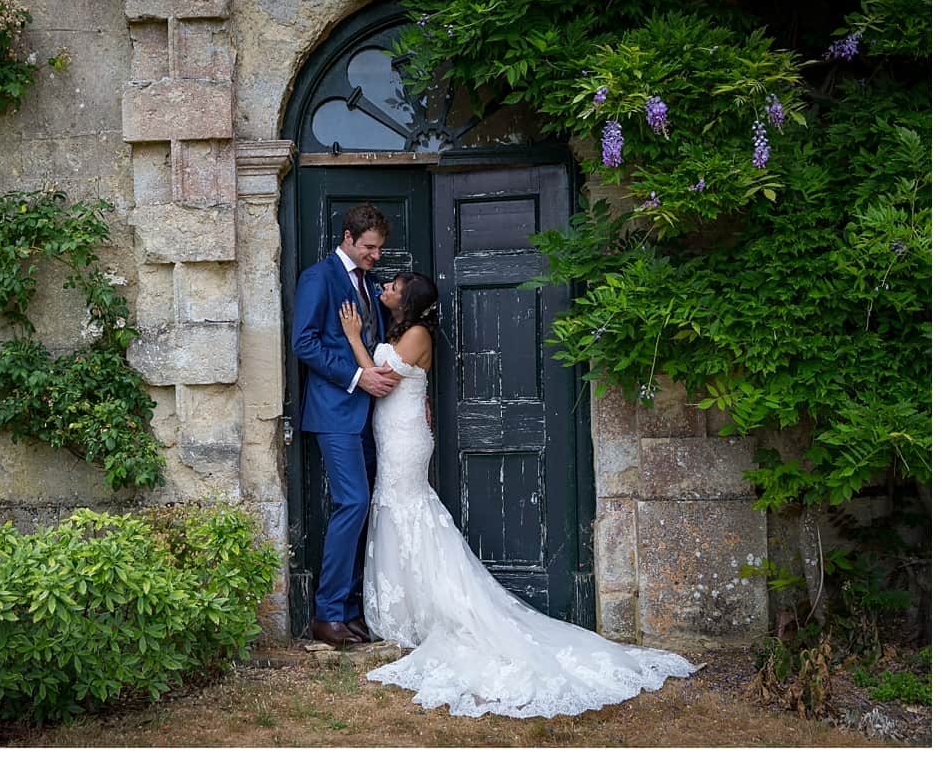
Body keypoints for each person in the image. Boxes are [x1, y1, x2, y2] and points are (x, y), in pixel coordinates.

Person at [338, 271, 698, 719]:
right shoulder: (401, 329)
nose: (384, 288)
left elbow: (382, 380)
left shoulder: (415, 333)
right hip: (391, 430)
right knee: (394, 509)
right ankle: (402, 610)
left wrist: (353, 337)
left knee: (407, 508)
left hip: (406, 436)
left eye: (393, 286)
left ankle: (434, 608)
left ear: (407, 299)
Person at [291, 204, 399, 648]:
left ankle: (352, 610)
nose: (376, 255)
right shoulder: (320, 277)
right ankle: (327, 613)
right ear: (348, 238)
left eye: (379, 248)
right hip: (334, 412)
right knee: (352, 503)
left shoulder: (370, 285)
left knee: (365, 505)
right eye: (370, 247)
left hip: (370, 417)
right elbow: (304, 342)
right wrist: (357, 377)